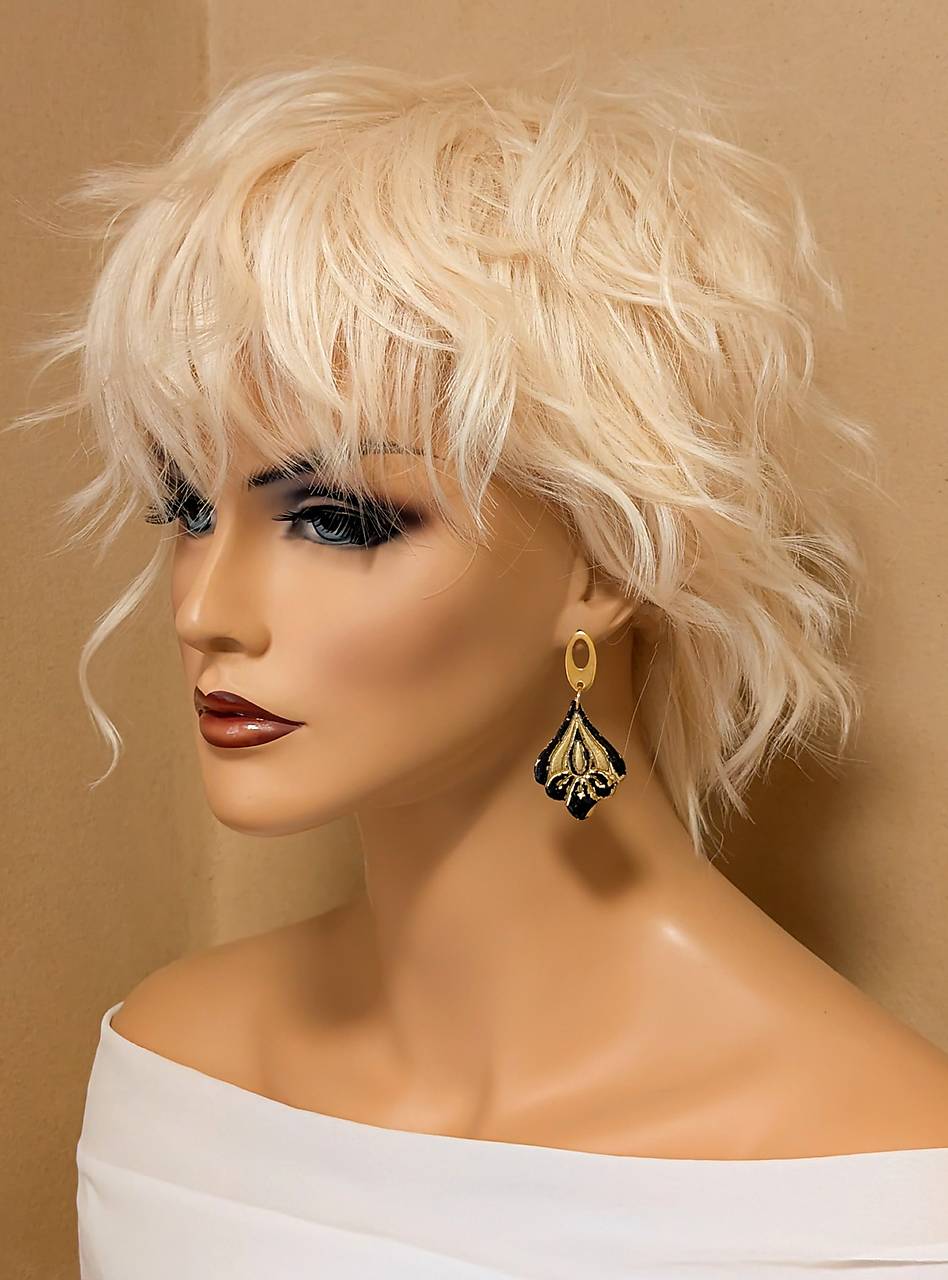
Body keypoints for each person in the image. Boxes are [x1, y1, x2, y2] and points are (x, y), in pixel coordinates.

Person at [18, 54, 948, 1278]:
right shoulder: (172, 1072)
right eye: (188, 505)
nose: (206, 608)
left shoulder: (880, 1201)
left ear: (609, 558)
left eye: (338, 518)